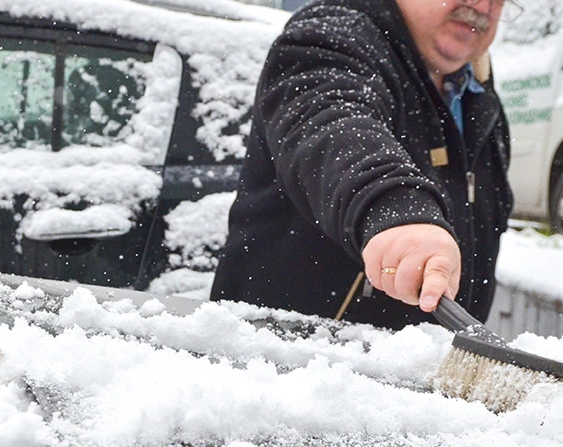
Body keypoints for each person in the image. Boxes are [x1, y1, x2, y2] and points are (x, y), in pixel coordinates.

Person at [210, 0, 515, 329]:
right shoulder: (331, 37)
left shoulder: (481, 102)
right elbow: (333, 124)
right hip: (284, 362)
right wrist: (396, 208)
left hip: (420, 369)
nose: (482, 5)